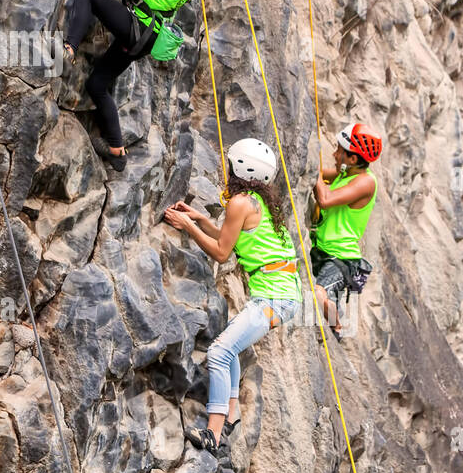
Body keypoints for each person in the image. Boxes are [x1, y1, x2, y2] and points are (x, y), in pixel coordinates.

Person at [163, 138, 301, 455]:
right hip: (280, 296)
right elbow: (230, 236)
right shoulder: (256, 201)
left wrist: (187, 226)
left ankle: (213, 431)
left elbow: (222, 253)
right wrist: (199, 219)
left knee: (220, 351)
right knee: (231, 345)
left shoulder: (241, 203)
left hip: (274, 299)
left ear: (239, 167)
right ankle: (232, 412)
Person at [64, 0, 196, 171]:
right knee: (97, 85)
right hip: (144, 37)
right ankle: (117, 151)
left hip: (137, 28)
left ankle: (68, 48)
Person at [310, 123, 381, 341]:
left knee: (317, 294)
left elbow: (326, 199)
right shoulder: (345, 173)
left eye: (340, 150)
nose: (335, 154)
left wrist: (316, 178)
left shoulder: (366, 182)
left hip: (341, 258)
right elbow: (319, 173)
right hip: (321, 249)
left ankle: (337, 325)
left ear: (352, 159)